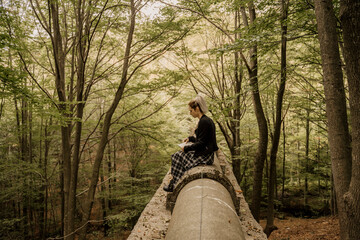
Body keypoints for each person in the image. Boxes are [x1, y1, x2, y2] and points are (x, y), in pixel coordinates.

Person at [163, 95, 219, 192]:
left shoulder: (204, 122)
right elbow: (202, 139)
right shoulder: (205, 120)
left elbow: (201, 143)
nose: (190, 113)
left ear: (197, 108)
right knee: (178, 156)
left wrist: (186, 148)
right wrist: (190, 139)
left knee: (176, 156)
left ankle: (174, 185)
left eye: (191, 111)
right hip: (206, 153)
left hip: (206, 156)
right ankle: (174, 183)